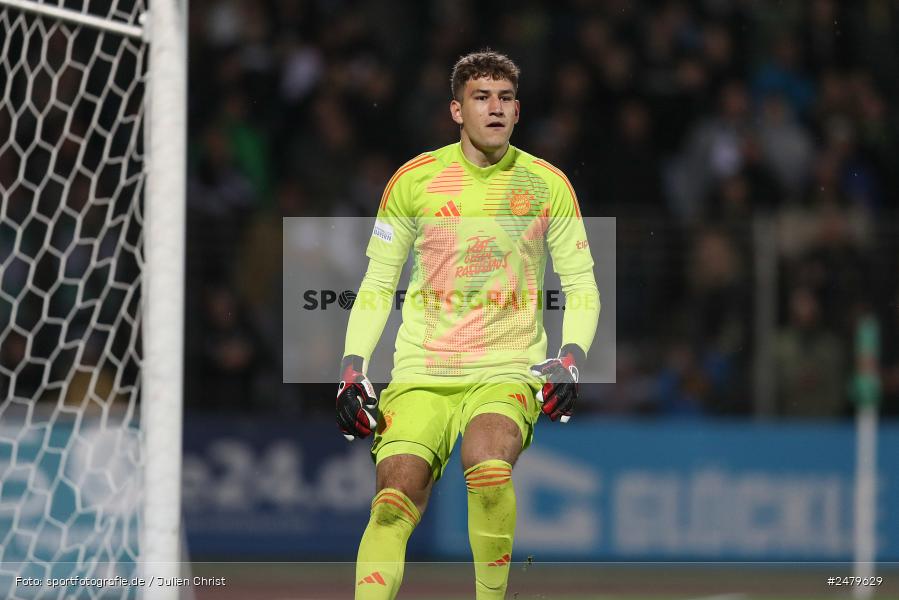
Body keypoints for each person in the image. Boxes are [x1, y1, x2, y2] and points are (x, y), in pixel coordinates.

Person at [335, 50, 600, 599]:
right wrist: (352, 369)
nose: (494, 108)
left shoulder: (546, 184)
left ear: (518, 111)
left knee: (487, 465)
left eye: (505, 99)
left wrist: (571, 357)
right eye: (481, 98)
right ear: (457, 110)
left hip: (506, 368)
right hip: (419, 372)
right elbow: (377, 285)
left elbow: (582, 286)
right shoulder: (414, 180)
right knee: (392, 500)